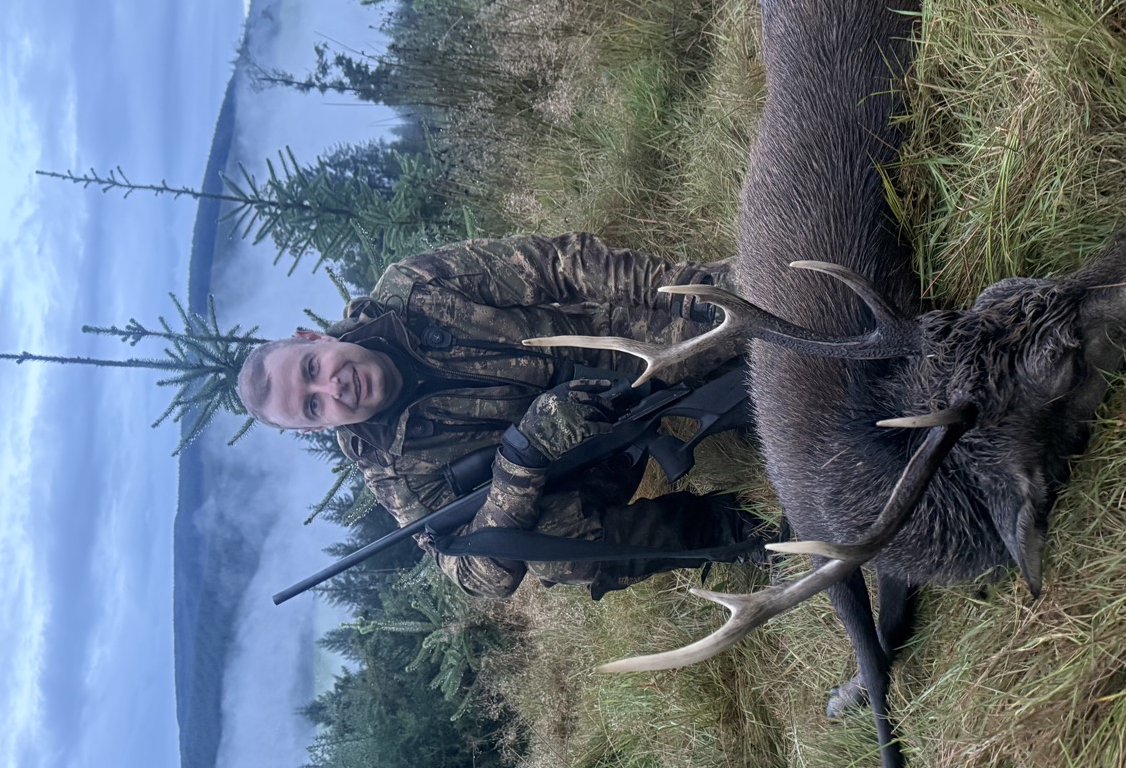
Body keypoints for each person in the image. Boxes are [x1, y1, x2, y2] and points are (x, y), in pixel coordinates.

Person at [237, 233, 765, 599]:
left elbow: (557, 263)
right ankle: (740, 531)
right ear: (319, 427)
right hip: (595, 462)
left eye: (312, 367)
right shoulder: (396, 473)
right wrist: (522, 459)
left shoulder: (414, 290)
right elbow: (477, 577)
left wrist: (688, 294)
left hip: (617, 347)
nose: (333, 386)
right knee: (557, 557)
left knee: (758, 319)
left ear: (314, 338)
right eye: (313, 404)